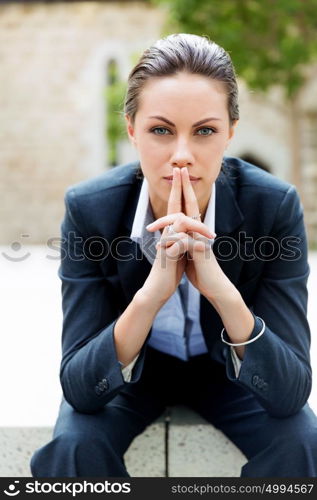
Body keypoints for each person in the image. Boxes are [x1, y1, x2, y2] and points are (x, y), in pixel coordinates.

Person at [30, 33, 317, 477]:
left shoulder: (273, 205)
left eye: (204, 131)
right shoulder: (90, 209)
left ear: (230, 133)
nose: (182, 156)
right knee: (74, 447)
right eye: (161, 130)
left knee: (304, 445)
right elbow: (81, 388)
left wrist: (222, 291)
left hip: (228, 368)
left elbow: (290, 391)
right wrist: (151, 294)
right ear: (131, 130)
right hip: (135, 366)